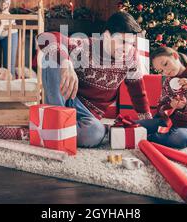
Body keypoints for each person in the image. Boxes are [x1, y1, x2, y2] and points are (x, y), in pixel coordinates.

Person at [37, 11, 152, 148]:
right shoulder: (85, 46)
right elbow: (45, 37)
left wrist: (148, 122)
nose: (127, 48)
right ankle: (57, 122)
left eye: (131, 43)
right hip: (66, 98)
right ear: (107, 35)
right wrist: (65, 62)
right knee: (51, 57)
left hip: (88, 114)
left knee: (94, 133)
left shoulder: (131, 57)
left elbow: (137, 91)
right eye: (122, 42)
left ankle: (54, 131)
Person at [136, 46, 187, 149]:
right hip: (167, 122)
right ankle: (150, 135)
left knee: (179, 138)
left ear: (175, 56)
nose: (165, 72)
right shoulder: (167, 82)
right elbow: (160, 108)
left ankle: (146, 137)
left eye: (165, 64)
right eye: (161, 70)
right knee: (136, 125)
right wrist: (171, 105)